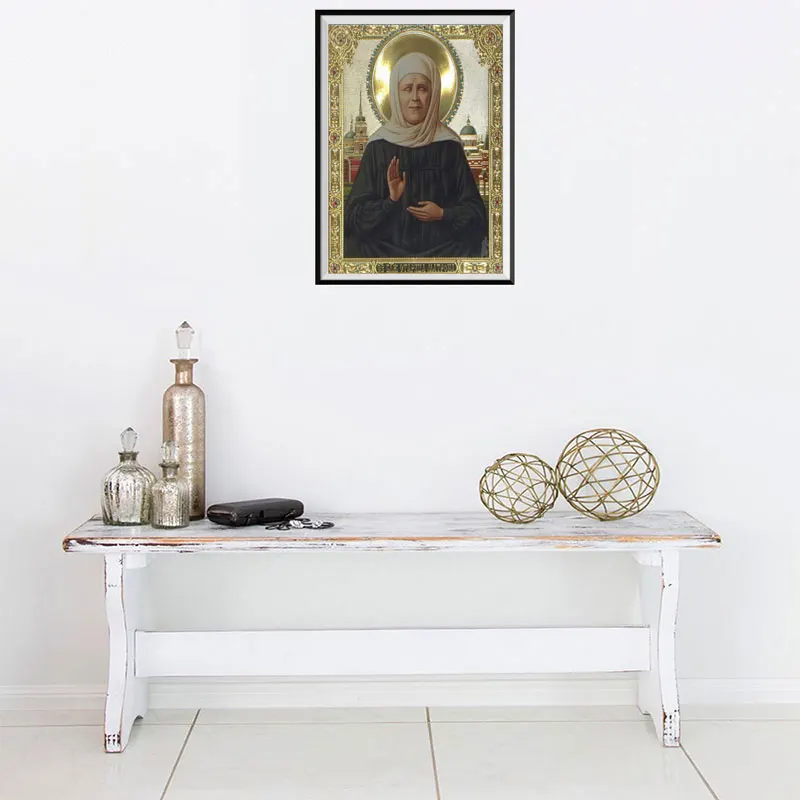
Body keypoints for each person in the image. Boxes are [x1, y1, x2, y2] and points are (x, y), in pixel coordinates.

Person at [344, 52, 488, 258]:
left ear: (434, 93)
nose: (414, 98)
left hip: (445, 253)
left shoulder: (449, 147)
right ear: (395, 94)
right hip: (384, 254)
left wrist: (443, 214)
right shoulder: (377, 147)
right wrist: (390, 201)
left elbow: (477, 215)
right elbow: (351, 220)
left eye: (422, 88)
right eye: (407, 89)